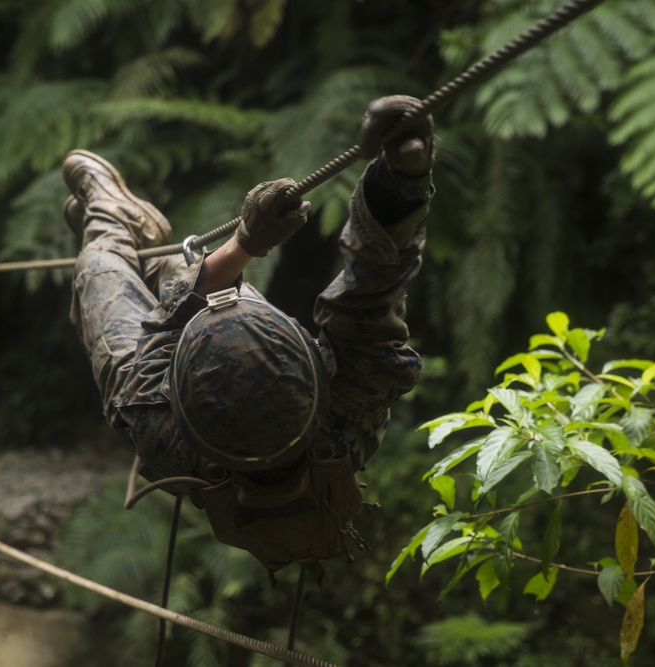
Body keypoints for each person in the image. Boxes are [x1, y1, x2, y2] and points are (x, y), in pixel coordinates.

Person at [64, 96, 434, 577]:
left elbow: (161, 326)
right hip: (234, 391)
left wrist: (242, 245)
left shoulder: (162, 432)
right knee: (189, 281)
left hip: (156, 391)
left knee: (98, 269)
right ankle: (158, 250)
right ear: (312, 364)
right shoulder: (348, 409)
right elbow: (375, 284)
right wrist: (402, 177)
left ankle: (113, 220)